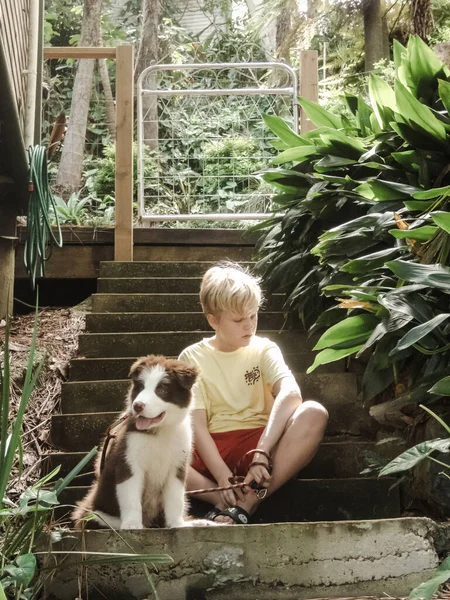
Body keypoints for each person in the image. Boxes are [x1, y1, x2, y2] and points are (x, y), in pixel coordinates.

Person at [178, 262, 328, 524]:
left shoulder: (264, 348)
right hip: (211, 450)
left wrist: (262, 453)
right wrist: (222, 477)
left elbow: (291, 394)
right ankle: (220, 499)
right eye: (238, 320)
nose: (249, 325)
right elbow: (196, 426)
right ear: (213, 319)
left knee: (314, 413)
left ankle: (249, 501)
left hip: (260, 444)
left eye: (253, 315)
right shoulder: (192, 356)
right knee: (145, 440)